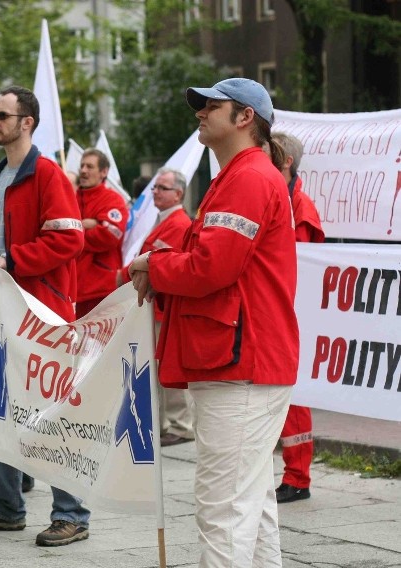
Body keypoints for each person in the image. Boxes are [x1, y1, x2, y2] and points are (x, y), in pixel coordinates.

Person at [129, 78, 297, 566]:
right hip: (245, 359)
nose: (200, 112)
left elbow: (211, 267)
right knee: (251, 505)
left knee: (222, 511)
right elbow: (211, 258)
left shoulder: (246, 178)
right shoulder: (241, 175)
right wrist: (157, 263)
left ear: (245, 117)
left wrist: (153, 267)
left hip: (240, 363)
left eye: (211, 106)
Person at [0, 85, 89, 547]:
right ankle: (5, 507)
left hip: (40, 314)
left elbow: (70, 240)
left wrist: (12, 259)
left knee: (50, 415)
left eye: (1, 115)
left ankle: (72, 514)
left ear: (26, 122)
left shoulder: (48, 176)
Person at [119, 168, 195, 447]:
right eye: (154, 188)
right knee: (158, 368)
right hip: (155, 304)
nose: (155, 193)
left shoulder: (178, 223)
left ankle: (179, 424)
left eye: (162, 188)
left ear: (178, 193)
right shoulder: (164, 220)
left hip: (164, 306)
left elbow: (170, 264)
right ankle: (167, 422)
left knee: (168, 366)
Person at [270, 131, 324, 504]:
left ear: (286, 161)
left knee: (295, 396)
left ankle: (298, 477)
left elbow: (298, 263)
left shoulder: (301, 208)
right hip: (277, 311)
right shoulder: (283, 199)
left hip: (293, 313)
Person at [75, 148, 128, 317]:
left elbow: (109, 236)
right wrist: (89, 225)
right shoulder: (69, 198)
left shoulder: (113, 200)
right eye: (82, 166)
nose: (83, 170)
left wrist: (76, 233)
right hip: (72, 289)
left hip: (101, 289)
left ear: (104, 172)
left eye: (89, 166)